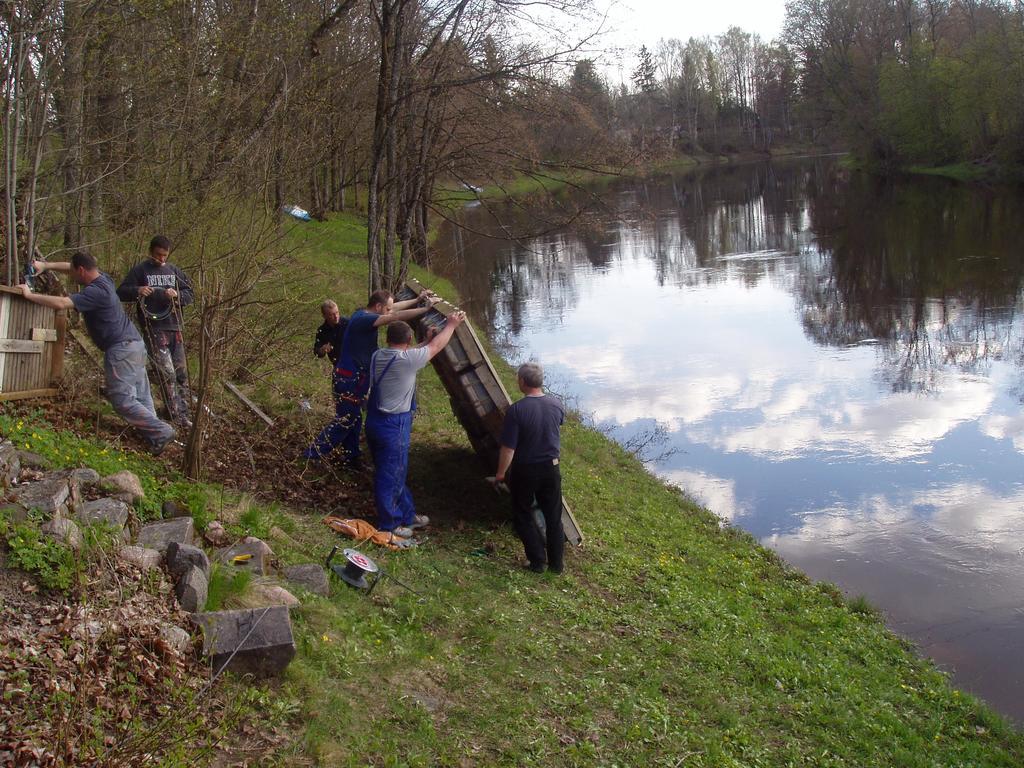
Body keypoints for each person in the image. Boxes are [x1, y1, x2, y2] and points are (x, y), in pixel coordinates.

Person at [19, 252, 176, 454]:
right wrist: (45, 266)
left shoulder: (94, 293)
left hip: (121, 349)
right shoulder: (104, 280)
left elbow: (61, 303)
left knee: (122, 400)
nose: (72, 275)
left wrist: (28, 295)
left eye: (74, 272)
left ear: (82, 271)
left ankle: (161, 430)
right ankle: (155, 436)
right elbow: (71, 266)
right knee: (141, 396)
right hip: (135, 344)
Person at [303, 288, 439, 465]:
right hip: (349, 379)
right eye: (387, 308)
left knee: (354, 419)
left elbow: (394, 309)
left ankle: (351, 458)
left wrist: (417, 300)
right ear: (378, 306)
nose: (390, 310)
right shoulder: (363, 320)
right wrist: (425, 309)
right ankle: (312, 455)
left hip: (353, 378)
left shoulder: (363, 313)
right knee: (345, 420)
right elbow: (394, 316)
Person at [365, 313, 465, 537]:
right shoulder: (407, 360)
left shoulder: (378, 355)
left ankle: (407, 515)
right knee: (390, 474)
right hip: (394, 425)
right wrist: (451, 324)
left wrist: (424, 342)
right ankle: (390, 524)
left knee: (394, 471)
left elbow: (407, 353)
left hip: (374, 421)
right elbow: (437, 346)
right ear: (408, 340)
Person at [494, 362, 565, 574]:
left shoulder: (517, 410)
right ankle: (557, 565)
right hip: (552, 469)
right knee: (553, 517)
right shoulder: (557, 405)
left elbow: (508, 448)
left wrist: (500, 474)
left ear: (522, 382)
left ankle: (537, 562)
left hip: (526, 470)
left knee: (522, 514)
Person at [116, 235, 194, 428]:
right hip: (153, 328)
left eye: (165, 256)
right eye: (158, 255)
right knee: (166, 373)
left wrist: (177, 295)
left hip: (175, 326)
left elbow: (190, 293)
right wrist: (138, 290)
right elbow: (121, 292)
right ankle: (175, 415)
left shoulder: (174, 271)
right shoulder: (140, 270)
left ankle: (182, 414)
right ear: (151, 251)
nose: (161, 259)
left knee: (181, 373)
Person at [313, 300, 347, 366]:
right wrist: (322, 350)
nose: (336, 316)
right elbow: (317, 351)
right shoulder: (322, 330)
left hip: (355, 366)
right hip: (338, 367)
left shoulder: (348, 324)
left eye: (337, 312)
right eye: (332, 314)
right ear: (324, 316)